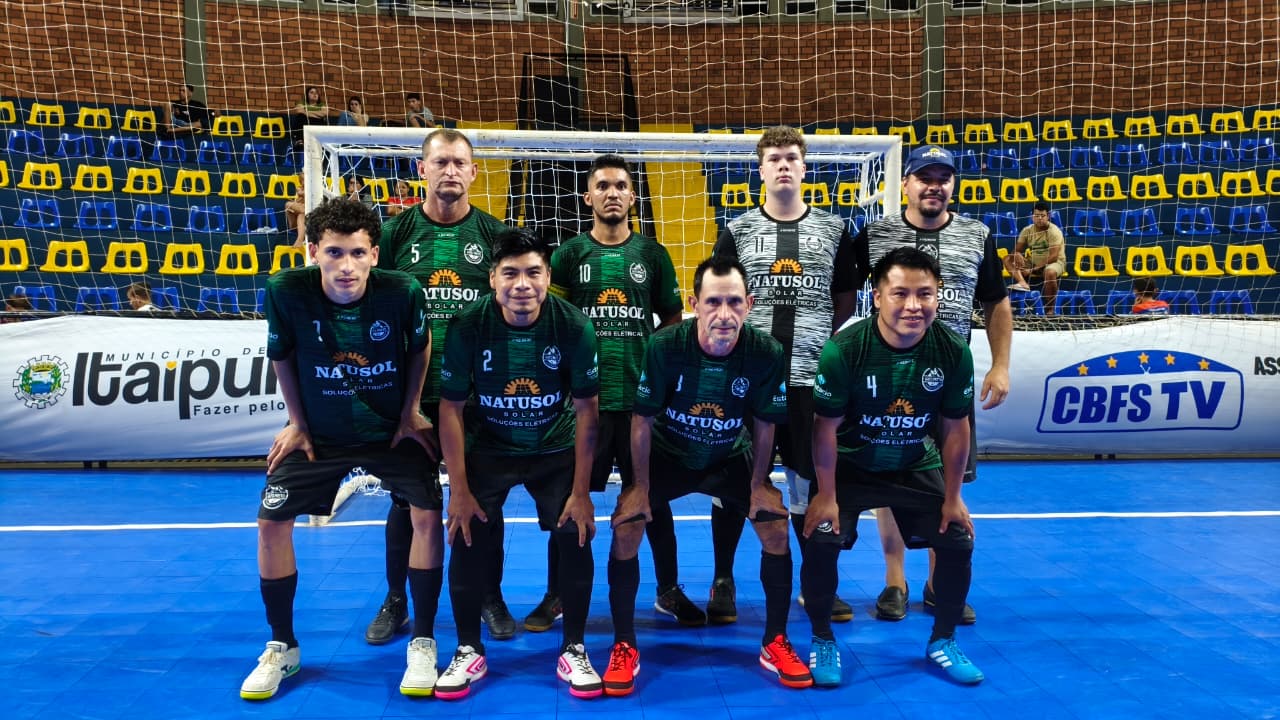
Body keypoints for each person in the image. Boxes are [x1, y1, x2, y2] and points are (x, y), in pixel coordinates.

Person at [239, 198, 445, 701]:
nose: (346, 265)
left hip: (389, 430)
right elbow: (282, 355)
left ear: (374, 254)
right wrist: (297, 422)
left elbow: (421, 347)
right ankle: (282, 646)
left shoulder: (402, 291)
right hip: (320, 434)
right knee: (270, 523)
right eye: (334, 252)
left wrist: (411, 410)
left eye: (357, 253)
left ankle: (423, 641)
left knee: (426, 513)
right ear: (313, 252)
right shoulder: (286, 290)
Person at [601, 255, 811, 695]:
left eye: (734, 302)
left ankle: (775, 641)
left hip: (729, 454)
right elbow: (641, 420)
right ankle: (624, 644)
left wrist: (760, 484)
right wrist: (640, 487)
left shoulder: (766, 352)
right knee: (627, 525)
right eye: (713, 302)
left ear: (750, 304)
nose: (724, 314)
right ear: (694, 303)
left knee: (775, 527)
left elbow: (765, 422)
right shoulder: (665, 345)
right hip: (669, 454)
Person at [803, 246, 983, 686]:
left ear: (938, 296)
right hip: (851, 465)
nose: (913, 305)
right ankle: (822, 638)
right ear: (878, 296)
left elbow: (955, 428)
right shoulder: (844, 349)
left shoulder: (953, 351)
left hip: (913, 462)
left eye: (925, 294)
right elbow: (824, 429)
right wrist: (825, 495)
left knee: (958, 539)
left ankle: (943, 640)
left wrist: (953, 497)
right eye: (901, 293)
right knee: (820, 538)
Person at [435, 228, 601, 700]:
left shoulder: (573, 326)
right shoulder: (468, 325)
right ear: (492, 278)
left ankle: (574, 649)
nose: (522, 284)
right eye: (510, 273)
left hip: (554, 448)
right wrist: (458, 490)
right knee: (466, 532)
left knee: (575, 532)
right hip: (489, 447)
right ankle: (468, 649)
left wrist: (582, 491)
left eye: (533, 272)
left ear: (548, 277)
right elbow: (450, 409)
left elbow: (588, 412)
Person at [366, 128, 515, 647]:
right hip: (412, 396)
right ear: (422, 170)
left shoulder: (495, 235)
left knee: (485, 501)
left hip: (477, 396)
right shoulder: (394, 234)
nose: (450, 171)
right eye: (440, 162)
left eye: (459, 163)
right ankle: (396, 600)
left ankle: (490, 596)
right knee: (407, 501)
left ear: (473, 172)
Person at [853, 144, 1011, 626]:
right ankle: (894, 581)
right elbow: (842, 290)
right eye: (925, 176)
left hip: (947, 384)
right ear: (905, 183)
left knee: (949, 481)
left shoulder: (976, 234)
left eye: (943, 177)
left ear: (953, 185)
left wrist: (1000, 365)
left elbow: (996, 302)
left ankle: (940, 585)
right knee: (886, 482)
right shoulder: (876, 235)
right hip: (887, 381)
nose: (934, 185)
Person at [708, 125, 858, 625]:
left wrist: (815, 340)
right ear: (761, 170)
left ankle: (814, 583)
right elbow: (722, 299)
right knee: (733, 480)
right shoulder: (738, 229)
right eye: (774, 159)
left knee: (807, 482)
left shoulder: (834, 230)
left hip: (808, 383)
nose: (783, 166)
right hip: (748, 384)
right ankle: (723, 580)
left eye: (791, 157)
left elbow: (844, 299)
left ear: (805, 167)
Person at [534, 154, 688, 633]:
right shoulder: (568, 255)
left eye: (621, 185)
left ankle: (668, 590)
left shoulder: (653, 254)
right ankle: (556, 595)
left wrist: (657, 371)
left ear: (633, 196)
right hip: (586, 405)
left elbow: (672, 319)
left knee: (653, 498)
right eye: (602, 186)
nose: (612, 193)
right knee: (569, 500)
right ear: (588, 197)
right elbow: (553, 321)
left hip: (640, 405)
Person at [1003, 202, 1066, 313]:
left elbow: (1053, 257)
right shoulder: (1027, 230)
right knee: (1008, 259)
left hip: (1055, 263)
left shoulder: (1054, 231)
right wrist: (1017, 254)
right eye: (1036, 216)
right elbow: (1016, 250)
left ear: (1048, 216)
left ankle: (1050, 309)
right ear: (1032, 217)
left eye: (1042, 216)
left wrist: (1032, 270)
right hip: (1033, 262)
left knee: (1050, 272)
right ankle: (1023, 283)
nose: (1039, 218)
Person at [284, 174, 307, 248]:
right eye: (304, 180)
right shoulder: (299, 189)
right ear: (301, 182)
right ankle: (303, 209)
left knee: (301, 215)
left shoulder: (315, 191)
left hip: (306, 219)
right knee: (288, 204)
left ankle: (299, 240)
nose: (306, 181)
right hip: (295, 223)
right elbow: (301, 193)